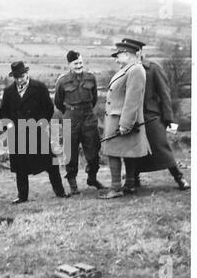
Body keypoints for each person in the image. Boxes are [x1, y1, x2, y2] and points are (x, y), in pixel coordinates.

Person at [121, 38, 190, 191]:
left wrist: (170, 121)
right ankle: (131, 181)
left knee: (161, 147)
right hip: (132, 117)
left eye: (128, 52)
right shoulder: (125, 70)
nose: (125, 55)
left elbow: (165, 95)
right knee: (131, 148)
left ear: (138, 52)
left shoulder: (153, 68)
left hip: (151, 116)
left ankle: (179, 178)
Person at [0, 61, 67, 204]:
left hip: (37, 132)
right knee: (20, 167)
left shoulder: (39, 88)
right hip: (17, 135)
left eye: (22, 76)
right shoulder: (8, 91)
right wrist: (10, 129)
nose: (19, 80)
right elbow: (3, 113)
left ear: (27, 73)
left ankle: (60, 191)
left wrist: (40, 124)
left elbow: (48, 108)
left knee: (50, 163)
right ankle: (22, 196)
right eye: (16, 77)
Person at [99, 42, 151, 199]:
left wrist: (125, 124)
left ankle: (116, 188)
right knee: (125, 152)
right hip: (116, 118)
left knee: (114, 153)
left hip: (122, 120)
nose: (116, 59)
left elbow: (132, 100)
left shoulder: (135, 70)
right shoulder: (128, 69)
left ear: (127, 54)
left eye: (118, 55)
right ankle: (129, 185)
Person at [55, 50, 105, 195]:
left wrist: (86, 111)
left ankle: (92, 178)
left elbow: (94, 98)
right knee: (70, 153)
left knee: (94, 151)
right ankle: (73, 184)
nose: (79, 65)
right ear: (69, 65)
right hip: (71, 117)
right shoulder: (62, 81)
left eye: (81, 63)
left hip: (89, 118)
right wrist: (70, 112)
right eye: (76, 63)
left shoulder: (91, 78)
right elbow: (58, 102)